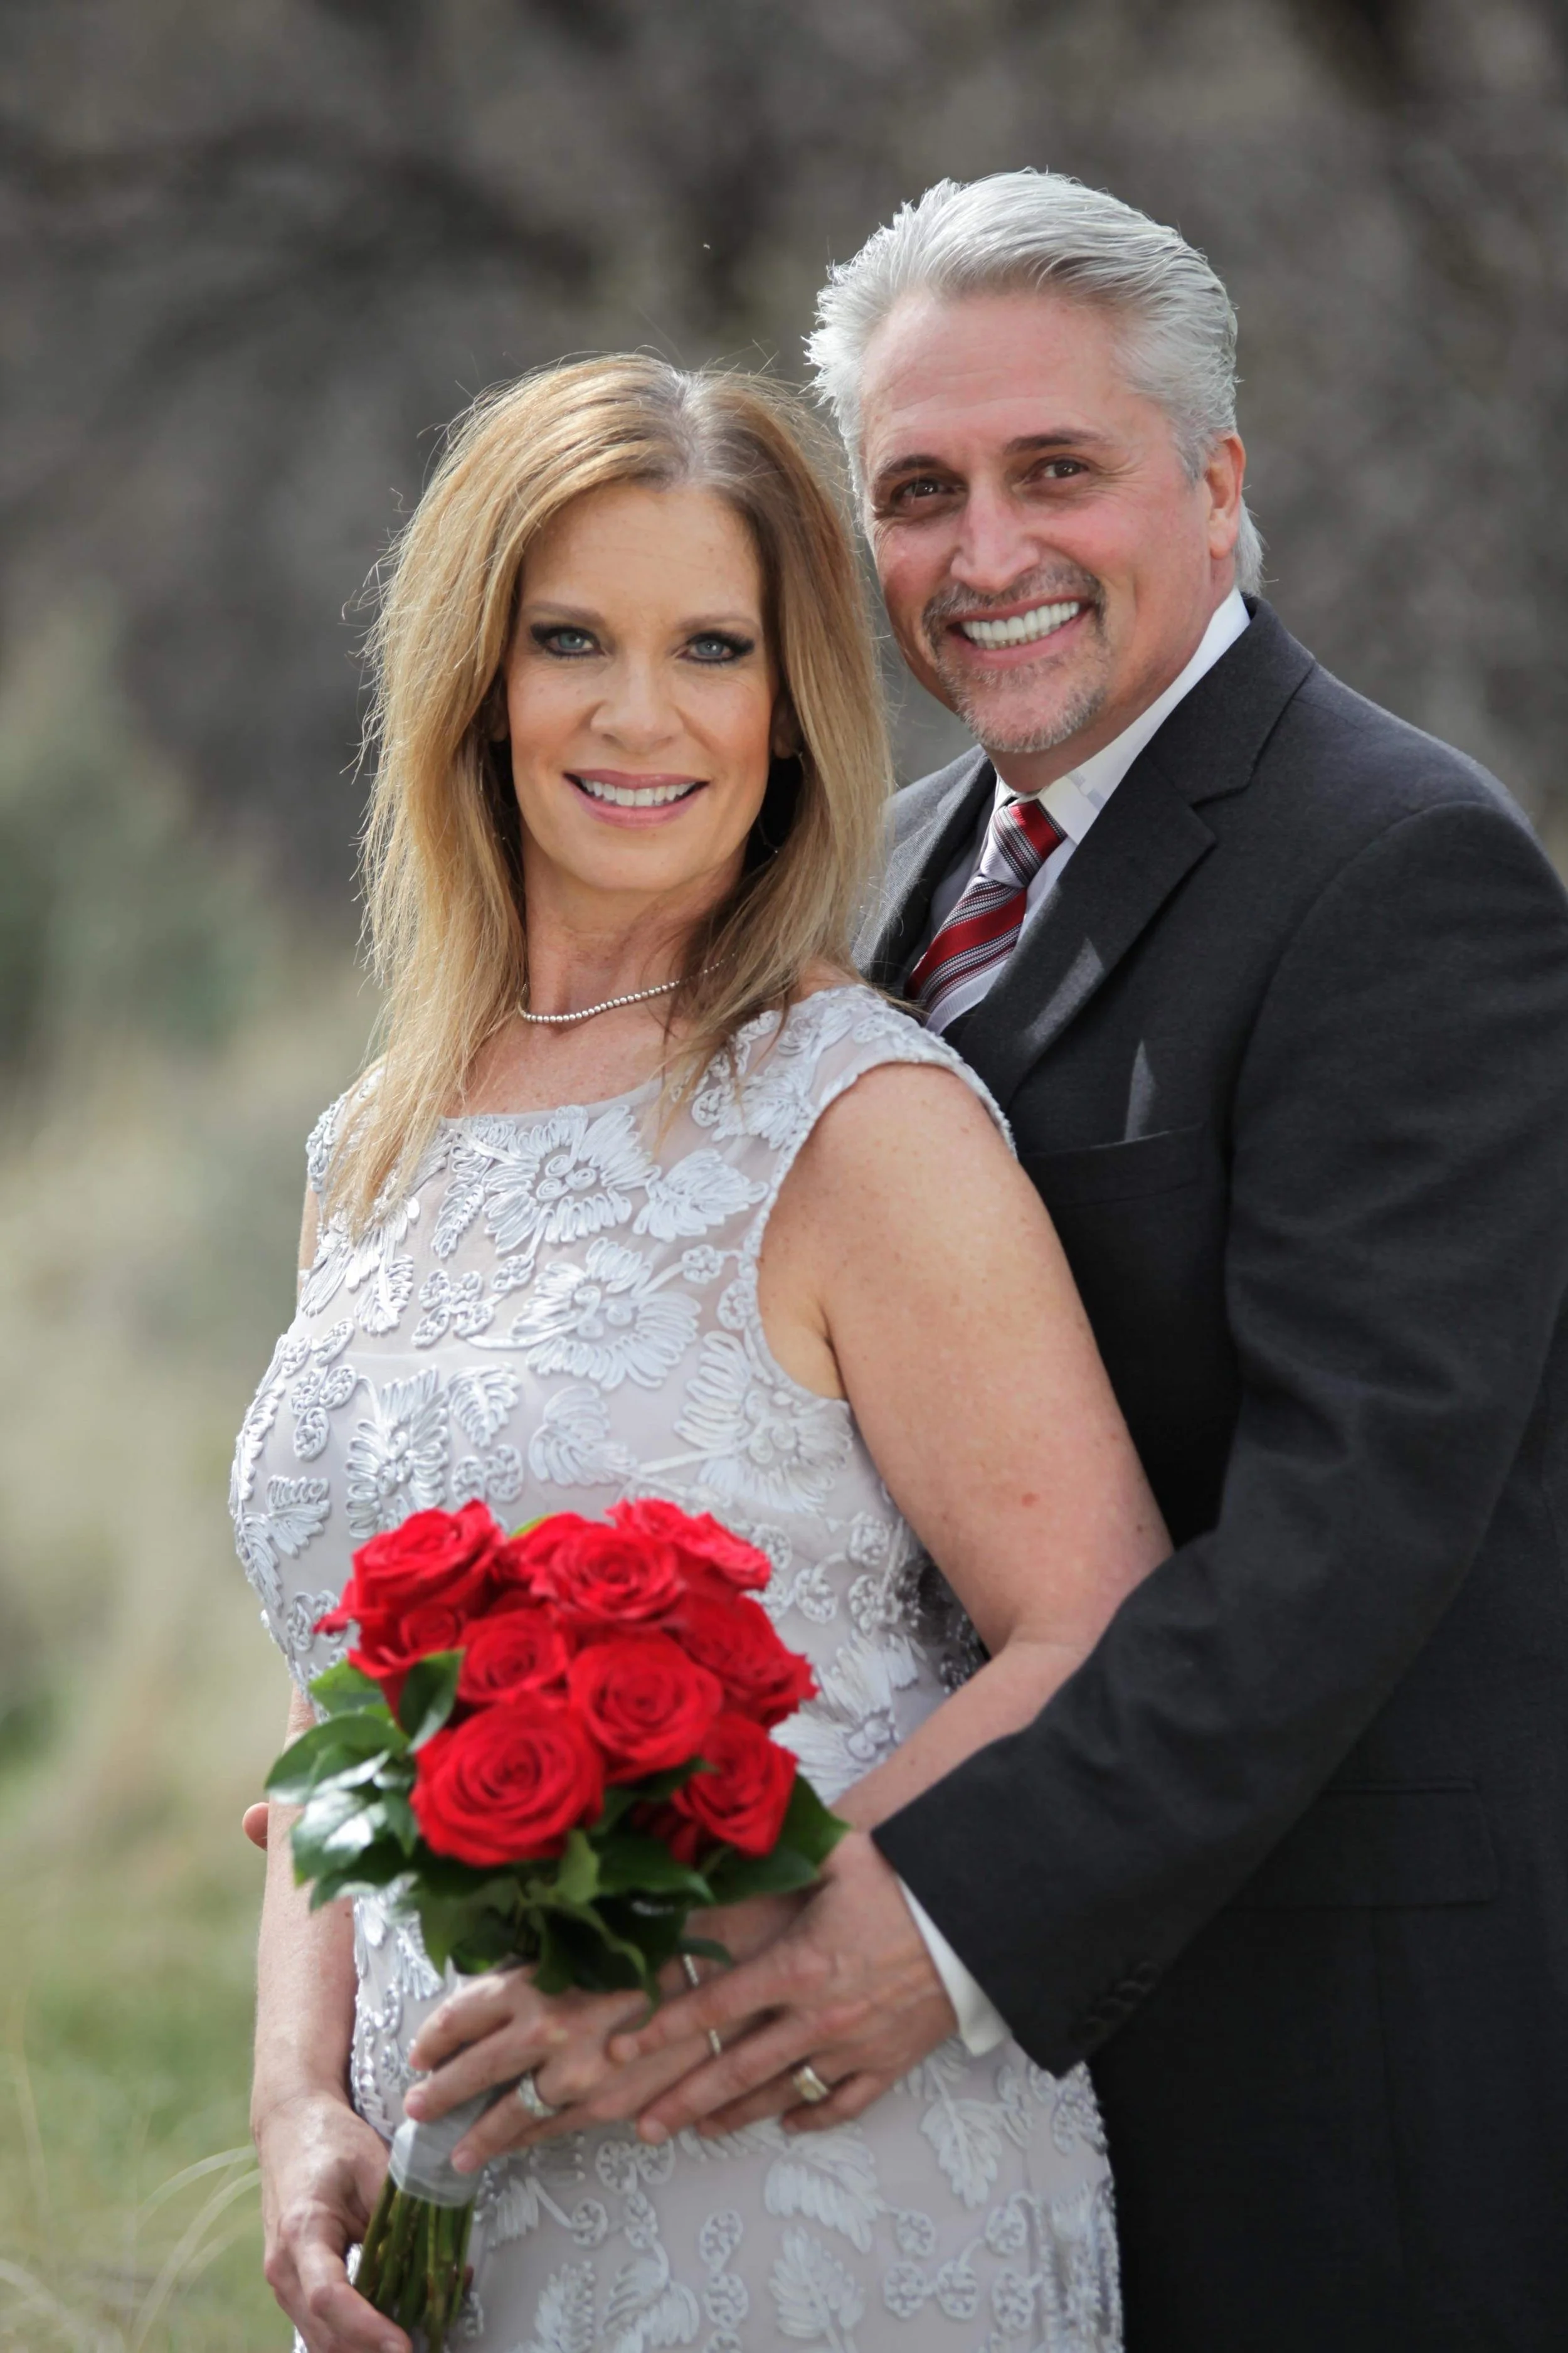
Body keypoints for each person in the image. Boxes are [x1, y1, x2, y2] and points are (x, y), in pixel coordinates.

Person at [618, 173, 1568, 2350]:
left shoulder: (1401, 870)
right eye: (919, 493)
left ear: (1215, 486)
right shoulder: (887, 874)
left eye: (1056, 470)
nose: (986, 556)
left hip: (1318, 2063)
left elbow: (1341, 1532)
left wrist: (942, 1912)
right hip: (960, 2115)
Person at [237, 353, 1168, 2353]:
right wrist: (301, 2097)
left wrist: (687, 1953)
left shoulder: (857, 1120)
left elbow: (1091, 1622)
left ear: (790, 703)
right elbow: (340, 1703)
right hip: (449, 2196)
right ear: (476, 679)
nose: (639, 713)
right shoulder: (373, 1141)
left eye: (711, 648)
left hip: (792, 2171)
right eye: (571, 638)